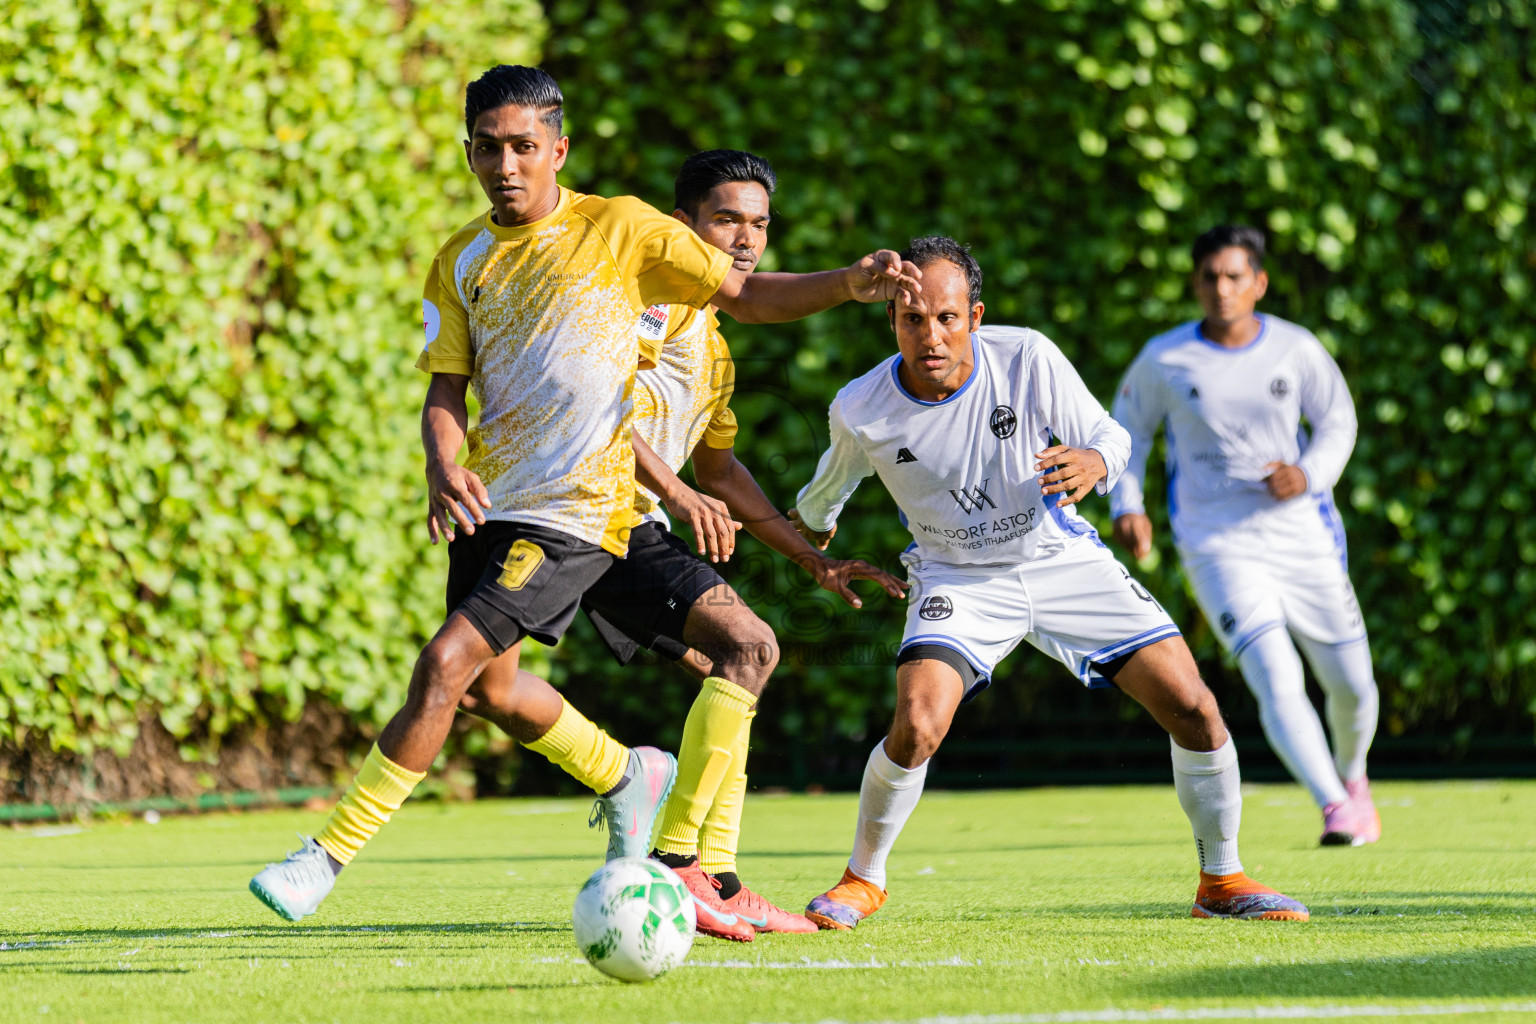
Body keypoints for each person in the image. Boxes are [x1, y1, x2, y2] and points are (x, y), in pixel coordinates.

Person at [247, 64, 921, 922]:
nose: (507, 164)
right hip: (494, 506)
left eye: (525, 146)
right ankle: (626, 777)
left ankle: (326, 858)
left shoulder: (622, 230)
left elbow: (745, 297)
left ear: (558, 149)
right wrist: (441, 462)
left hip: (582, 509)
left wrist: (848, 285)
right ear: (469, 154)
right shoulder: (460, 260)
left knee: (446, 664)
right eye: (489, 148)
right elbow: (446, 391)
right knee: (492, 689)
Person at [789, 236, 1311, 929]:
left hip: (1061, 561)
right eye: (913, 320)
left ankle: (1221, 881)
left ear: (976, 316)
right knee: (916, 724)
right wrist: (809, 536)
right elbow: (825, 493)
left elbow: (1111, 437)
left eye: (947, 318)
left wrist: (1095, 461)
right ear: (893, 323)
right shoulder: (861, 407)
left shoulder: (1027, 357)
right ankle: (862, 880)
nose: (931, 336)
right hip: (958, 577)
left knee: (1195, 708)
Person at [1108, 224, 1381, 847]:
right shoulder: (1164, 358)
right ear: (1195, 283)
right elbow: (1128, 430)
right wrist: (1128, 502)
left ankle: (1353, 775)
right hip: (1217, 547)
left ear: (1258, 283)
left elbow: (1338, 421)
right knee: (1275, 677)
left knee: (1353, 686)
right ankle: (1335, 807)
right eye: (1209, 277)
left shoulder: (1296, 348)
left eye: (1234, 276)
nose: (1221, 288)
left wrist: (1308, 472)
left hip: (1303, 537)